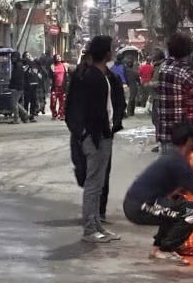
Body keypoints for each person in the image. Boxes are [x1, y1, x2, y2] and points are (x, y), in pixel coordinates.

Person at [123, 121, 193, 265]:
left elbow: (180, 187)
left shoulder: (173, 157)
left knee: (175, 206)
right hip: (139, 206)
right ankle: (165, 250)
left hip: (138, 203)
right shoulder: (179, 163)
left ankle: (157, 248)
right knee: (192, 212)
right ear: (189, 140)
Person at [71, 35, 125, 243]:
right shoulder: (92, 77)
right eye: (111, 48)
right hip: (96, 137)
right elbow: (91, 111)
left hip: (100, 135)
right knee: (93, 185)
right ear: (106, 53)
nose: (113, 52)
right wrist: (89, 134)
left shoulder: (100, 75)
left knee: (98, 183)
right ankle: (90, 229)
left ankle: (97, 225)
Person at [156, 33, 193, 154]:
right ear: (189, 51)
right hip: (184, 138)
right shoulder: (183, 71)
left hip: (167, 132)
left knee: (170, 165)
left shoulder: (164, 68)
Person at [10, 52, 31, 124]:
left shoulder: (18, 66)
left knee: (14, 103)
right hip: (19, 87)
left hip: (17, 87)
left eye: (14, 57)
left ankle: (17, 118)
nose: (13, 59)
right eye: (12, 57)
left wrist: (13, 86)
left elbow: (17, 78)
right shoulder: (17, 65)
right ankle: (25, 114)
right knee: (16, 103)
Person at [50, 54, 68, 121]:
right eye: (57, 57)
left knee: (62, 102)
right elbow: (50, 76)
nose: (58, 58)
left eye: (59, 57)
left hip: (62, 87)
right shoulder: (52, 66)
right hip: (55, 87)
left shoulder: (64, 65)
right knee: (53, 102)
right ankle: (54, 114)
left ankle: (61, 114)